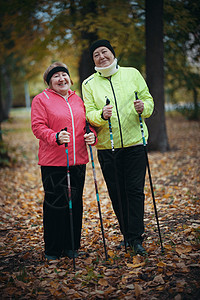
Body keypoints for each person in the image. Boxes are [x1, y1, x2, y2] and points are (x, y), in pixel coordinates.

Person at [82, 39, 154, 255]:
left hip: (135, 144)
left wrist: (144, 107)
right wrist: (101, 115)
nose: (101, 56)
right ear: (93, 59)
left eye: (104, 52)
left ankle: (136, 238)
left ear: (112, 53)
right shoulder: (88, 84)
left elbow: (148, 101)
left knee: (134, 191)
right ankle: (128, 235)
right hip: (107, 147)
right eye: (96, 54)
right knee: (117, 192)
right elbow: (89, 113)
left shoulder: (132, 73)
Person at [31, 62, 96, 260]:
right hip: (54, 162)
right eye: (56, 76)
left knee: (75, 204)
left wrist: (91, 135)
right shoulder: (41, 100)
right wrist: (55, 137)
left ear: (70, 78)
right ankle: (52, 249)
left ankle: (71, 246)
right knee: (55, 205)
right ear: (49, 82)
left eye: (64, 75)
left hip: (78, 161)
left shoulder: (78, 99)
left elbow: (88, 125)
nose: (61, 79)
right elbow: (38, 127)